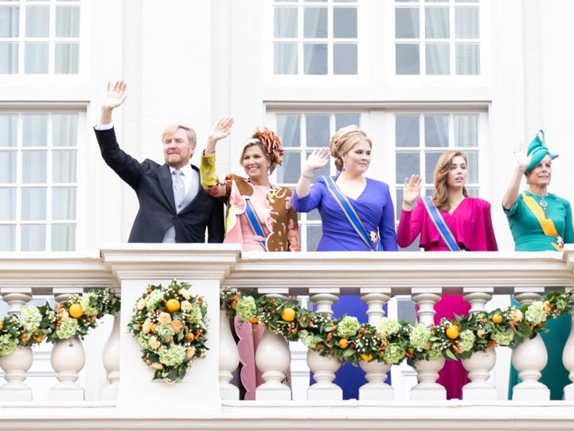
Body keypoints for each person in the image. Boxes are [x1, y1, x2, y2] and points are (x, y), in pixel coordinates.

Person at [293, 125, 398, 400]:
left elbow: (389, 237)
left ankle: (373, 402)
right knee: (331, 338)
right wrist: (307, 171)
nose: (364, 157)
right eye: (358, 151)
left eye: (368, 152)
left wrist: (393, 276)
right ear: (343, 154)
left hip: (370, 274)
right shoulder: (324, 186)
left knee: (371, 339)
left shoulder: (382, 189)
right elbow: (300, 204)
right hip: (331, 270)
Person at [200, 118, 301, 400]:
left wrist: (293, 281)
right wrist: (211, 143)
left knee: (271, 333)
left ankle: (274, 395)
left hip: (273, 271)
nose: (250, 162)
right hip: (241, 268)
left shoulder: (286, 196)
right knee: (241, 333)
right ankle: (244, 396)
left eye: (256, 156)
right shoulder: (236, 186)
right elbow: (209, 185)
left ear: (270, 161)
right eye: (246, 158)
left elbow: (293, 239)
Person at [397, 151, 498, 399]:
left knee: (466, 349)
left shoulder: (480, 207)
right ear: (444, 173)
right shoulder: (426, 207)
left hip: (466, 289)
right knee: (435, 349)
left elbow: (491, 252)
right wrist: (408, 205)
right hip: (434, 287)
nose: (460, 171)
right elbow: (403, 240)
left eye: (463, 167)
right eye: (454, 167)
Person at [94, 81, 224, 243]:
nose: (172, 146)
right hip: (146, 261)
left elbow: (216, 238)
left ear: (192, 148)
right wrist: (106, 111)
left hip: (190, 264)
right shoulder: (148, 173)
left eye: (178, 141)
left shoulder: (209, 186)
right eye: (167, 142)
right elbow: (112, 155)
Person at [502, 130, 574, 400]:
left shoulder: (562, 204)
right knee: (530, 340)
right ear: (528, 171)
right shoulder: (520, 200)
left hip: (558, 280)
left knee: (559, 341)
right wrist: (517, 169)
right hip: (527, 278)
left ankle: (560, 398)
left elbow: (572, 245)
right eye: (539, 166)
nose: (544, 170)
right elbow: (506, 204)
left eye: (548, 165)